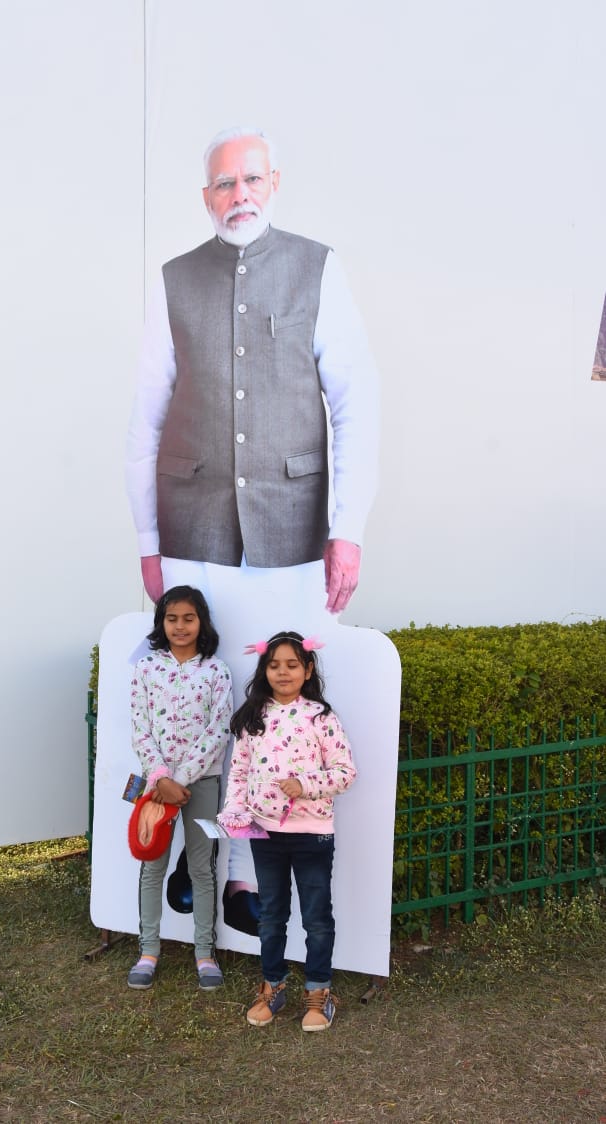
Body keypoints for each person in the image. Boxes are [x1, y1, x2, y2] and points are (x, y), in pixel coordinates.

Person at [125, 124, 379, 617]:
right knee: (199, 664)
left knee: (287, 666)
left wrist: (348, 530)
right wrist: (147, 541)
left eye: (253, 179)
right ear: (207, 197)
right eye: (225, 183)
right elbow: (146, 421)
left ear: (274, 182)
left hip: (294, 525)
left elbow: (356, 407)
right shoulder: (173, 279)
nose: (240, 195)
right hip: (190, 530)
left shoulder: (318, 267)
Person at [218, 631, 356, 1030]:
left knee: (316, 917)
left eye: (292, 665)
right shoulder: (253, 718)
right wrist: (234, 812)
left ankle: (319, 992)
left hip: (313, 836)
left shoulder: (321, 717)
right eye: (274, 665)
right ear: (264, 670)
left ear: (307, 670)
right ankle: (272, 986)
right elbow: (239, 773)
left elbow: (345, 772)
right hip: (265, 836)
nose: (283, 672)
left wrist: (305, 784)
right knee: (271, 915)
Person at [127, 585, 232, 991]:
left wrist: (181, 780)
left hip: (201, 785)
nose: (181, 626)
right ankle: (148, 951)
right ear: (162, 623)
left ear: (201, 622)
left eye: (189, 618)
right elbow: (140, 728)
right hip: (155, 787)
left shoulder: (217, 671)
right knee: (152, 864)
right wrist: (161, 779)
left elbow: (219, 731)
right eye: (172, 618)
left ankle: (204, 953)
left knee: (202, 867)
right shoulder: (146, 669)